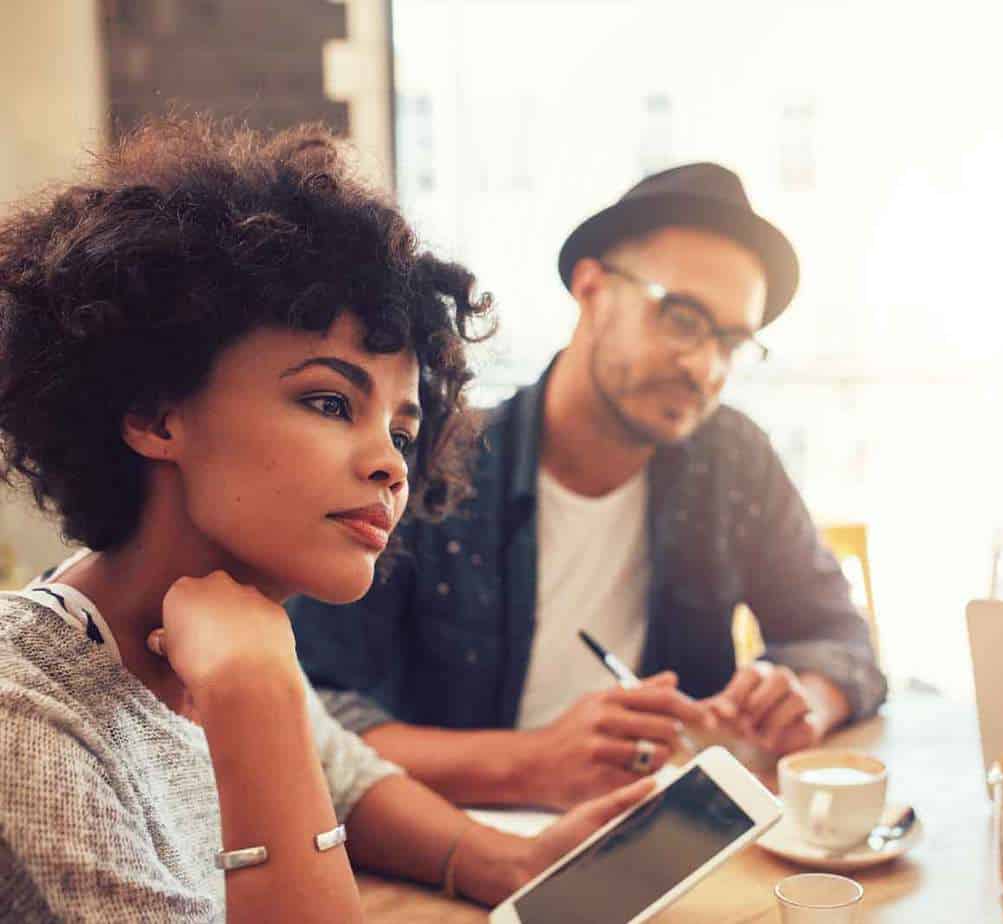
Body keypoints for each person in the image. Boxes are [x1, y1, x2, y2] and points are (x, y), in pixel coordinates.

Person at [0, 118, 654, 923]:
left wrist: (511, 862)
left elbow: (349, 780)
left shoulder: (226, 616)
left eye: (404, 433)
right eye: (329, 402)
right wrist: (257, 704)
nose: (391, 466)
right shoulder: (26, 720)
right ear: (155, 412)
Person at [289, 163, 887, 810]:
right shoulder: (433, 460)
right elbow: (313, 710)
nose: (704, 367)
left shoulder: (730, 459)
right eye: (681, 318)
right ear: (591, 288)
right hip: (451, 850)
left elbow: (840, 641)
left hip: (666, 842)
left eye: (731, 341)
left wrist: (803, 698)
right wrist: (528, 765)